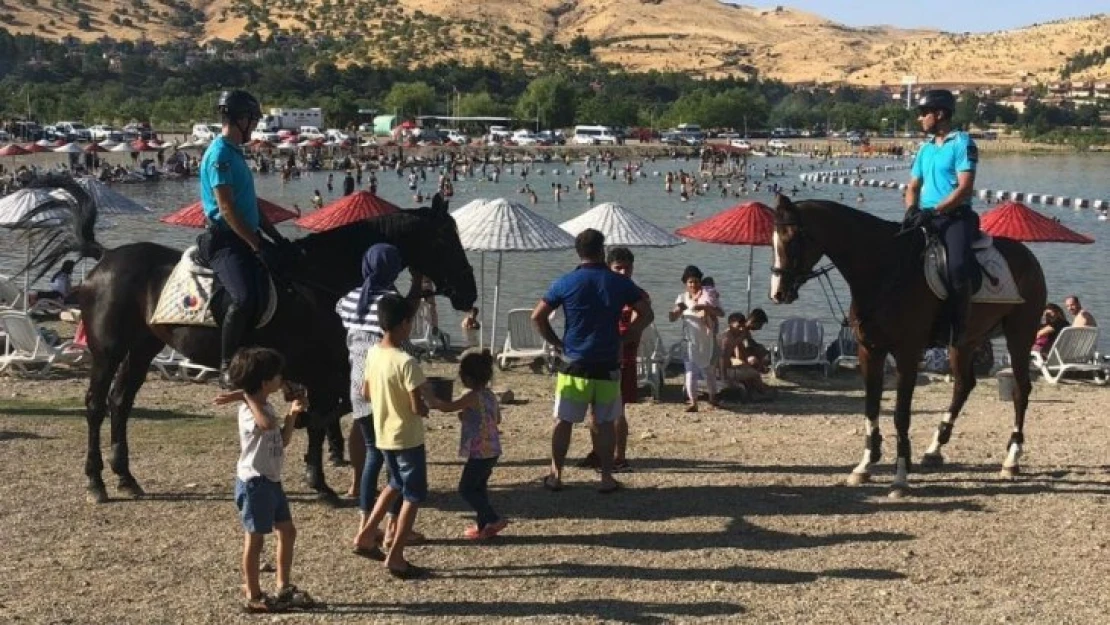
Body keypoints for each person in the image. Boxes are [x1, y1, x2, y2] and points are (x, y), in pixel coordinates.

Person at [532, 229, 653, 493]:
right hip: (608, 361)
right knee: (606, 421)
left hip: (574, 361)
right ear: (602, 250)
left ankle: (556, 475)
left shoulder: (565, 282)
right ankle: (606, 478)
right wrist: (628, 337)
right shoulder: (619, 282)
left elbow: (537, 316)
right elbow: (646, 313)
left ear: (578, 252)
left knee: (563, 420)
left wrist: (555, 341)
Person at [198, 89, 291, 388]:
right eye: (252, 120)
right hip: (225, 242)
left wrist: (275, 238)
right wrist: (256, 244)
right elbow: (226, 208)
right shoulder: (220, 155)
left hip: (245, 236)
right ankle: (226, 366)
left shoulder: (236, 153)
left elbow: (252, 205)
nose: (254, 126)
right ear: (240, 119)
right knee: (243, 297)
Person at [336, 245, 425, 548]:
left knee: (374, 456)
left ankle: (365, 524)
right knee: (396, 465)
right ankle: (393, 528)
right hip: (386, 388)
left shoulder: (348, 300)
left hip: (358, 386)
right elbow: (401, 335)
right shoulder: (390, 303)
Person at [352, 294, 446, 579]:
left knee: (394, 483)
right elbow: (417, 406)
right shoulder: (406, 362)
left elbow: (366, 392)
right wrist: (428, 407)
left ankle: (366, 535)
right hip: (407, 437)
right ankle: (396, 556)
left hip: (383, 434)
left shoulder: (373, 353)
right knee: (413, 495)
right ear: (404, 324)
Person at [221, 347, 315, 613]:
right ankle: (252, 592)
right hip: (254, 482)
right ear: (264, 382)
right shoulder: (250, 410)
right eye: (277, 376)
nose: (281, 379)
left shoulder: (266, 405)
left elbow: (281, 440)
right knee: (256, 539)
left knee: (287, 531)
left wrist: (292, 414)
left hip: (272, 480)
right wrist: (246, 396)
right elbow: (264, 425)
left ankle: (283, 585)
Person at [904, 88, 980, 346]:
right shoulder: (924, 150)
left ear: (939, 114)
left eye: (923, 113)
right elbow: (913, 186)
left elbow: (964, 188)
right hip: (923, 216)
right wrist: (912, 210)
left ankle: (958, 327)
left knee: (957, 267)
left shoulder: (962, 143)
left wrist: (934, 211)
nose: (920, 119)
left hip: (954, 218)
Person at [580, 247, 649, 473]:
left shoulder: (637, 294)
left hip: (623, 358)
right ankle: (597, 452)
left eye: (627, 268)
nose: (623, 272)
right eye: (618, 267)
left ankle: (620, 456)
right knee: (594, 409)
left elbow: (639, 324)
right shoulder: (603, 290)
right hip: (598, 356)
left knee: (617, 410)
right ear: (608, 267)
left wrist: (618, 340)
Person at [434, 350, 509, 540]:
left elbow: (448, 407)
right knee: (479, 488)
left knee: (466, 489)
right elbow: (496, 419)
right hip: (492, 451)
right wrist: (467, 418)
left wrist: (430, 398)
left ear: (467, 378)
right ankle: (483, 526)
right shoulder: (490, 395)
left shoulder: (472, 396)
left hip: (479, 452)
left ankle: (494, 519)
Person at [669, 265, 719, 412]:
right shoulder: (683, 298)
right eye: (690, 282)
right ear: (685, 282)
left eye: (696, 281)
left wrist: (706, 308)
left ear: (700, 282)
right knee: (690, 371)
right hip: (689, 340)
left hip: (706, 339)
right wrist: (674, 313)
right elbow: (674, 316)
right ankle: (693, 402)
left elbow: (720, 313)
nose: (693, 285)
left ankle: (713, 399)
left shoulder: (708, 296)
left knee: (709, 371)